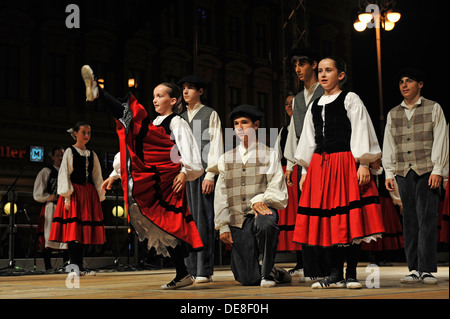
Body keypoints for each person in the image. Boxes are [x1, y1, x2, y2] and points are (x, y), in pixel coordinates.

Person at [81, 65, 204, 289]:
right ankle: (183, 273)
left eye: (160, 96)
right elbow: (132, 150)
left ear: (173, 101)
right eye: (154, 96)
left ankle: (101, 92)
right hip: (152, 173)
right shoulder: (154, 124)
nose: (155, 100)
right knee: (161, 223)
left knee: (168, 221)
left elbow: (189, 151)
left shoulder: (177, 123)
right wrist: (115, 174)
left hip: (167, 178)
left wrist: (185, 172)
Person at [292, 56, 385, 289]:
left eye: (329, 70)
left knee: (349, 218)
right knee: (328, 219)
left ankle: (351, 273)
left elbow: (361, 129)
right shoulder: (315, 104)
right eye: (321, 71)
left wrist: (363, 163)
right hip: (320, 166)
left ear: (340, 75)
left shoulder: (350, 99)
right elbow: (308, 139)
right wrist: (304, 170)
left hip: (345, 163)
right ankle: (335, 274)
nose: (323, 75)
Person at [383, 67, 449, 285]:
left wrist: (438, 170)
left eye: (409, 81)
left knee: (427, 220)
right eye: (401, 81)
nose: (404, 85)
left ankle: (426, 268)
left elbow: (440, 139)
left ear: (420, 84)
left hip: (427, 171)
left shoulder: (433, 108)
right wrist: (389, 172)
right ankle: (413, 268)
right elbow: (389, 144)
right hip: (403, 172)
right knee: (409, 221)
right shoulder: (394, 113)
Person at [214, 104, 291, 287]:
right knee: (247, 279)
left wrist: (260, 199)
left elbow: (276, 186)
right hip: (238, 218)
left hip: (261, 212)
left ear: (256, 126)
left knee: (266, 223)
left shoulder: (269, 154)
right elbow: (221, 194)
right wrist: (223, 225)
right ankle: (273, 271)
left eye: (245, 123)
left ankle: (267, 272)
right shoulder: (226, 158)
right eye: (236, 123)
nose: (239, 127)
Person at [283, 47, 327, 282]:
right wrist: (290, 164)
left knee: (325, 213)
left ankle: (328, 266)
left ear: (314, 64)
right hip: (303, 162)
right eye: (295, 65)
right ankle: (311, 269)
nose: (298, 69)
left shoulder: (326, 92)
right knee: (306, 214)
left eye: (302, 63)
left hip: (324, 158)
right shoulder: (299, 98)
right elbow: (293, 132)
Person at [178, 75, 224, 284]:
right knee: (186, 222)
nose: (186, 91)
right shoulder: (179, 118)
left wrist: (211, 174)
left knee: (203, 222)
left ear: (200, 91)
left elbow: (216, 145)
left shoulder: (209, 114)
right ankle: (188, 269)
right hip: (183, 176)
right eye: (184, 88)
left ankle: (204, 269)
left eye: (190, 88)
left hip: (203, 174)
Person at [48, 122, 106, 276]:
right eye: (83, 132)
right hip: (74, 192)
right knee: (74, 231)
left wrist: (99, 196)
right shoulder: (69, 151)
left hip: (88, 193)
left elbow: (97, 176)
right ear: (75, 133)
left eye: (88, 133)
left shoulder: (92, 153)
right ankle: (73, 266)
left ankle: (79, 267)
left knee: (84, 230)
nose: (86, 136)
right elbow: (65, 173)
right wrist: (67, 197)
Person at [33, 147, 69, 273]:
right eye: (58, 155)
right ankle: (48, 266)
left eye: (62, 156)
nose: (60, 158)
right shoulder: (47, 171)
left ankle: (66, 264)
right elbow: (38, 191)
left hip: (65, 207)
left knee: (66, 236)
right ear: (53, 157)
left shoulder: (67, 172)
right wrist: (47, 197)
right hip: (52, 207)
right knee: (49, 236)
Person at [276, 94, 302, 254]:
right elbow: (278, 154)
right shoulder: (283, 130)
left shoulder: (303, 125)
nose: (289, 106)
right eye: (286, 103)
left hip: (301, 170)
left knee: (300, 212)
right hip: (288, 173)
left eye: (293, 103)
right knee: (291, 213)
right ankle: (294, 253)